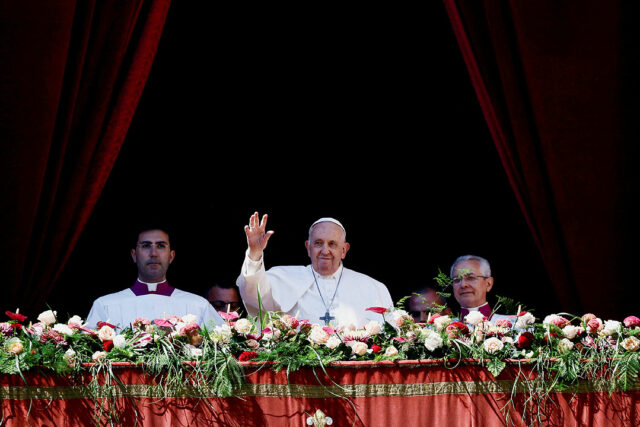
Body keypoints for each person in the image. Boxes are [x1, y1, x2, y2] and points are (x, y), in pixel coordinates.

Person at [237, 212, 393, 327]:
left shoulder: (371, 287)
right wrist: (255, 253)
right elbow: (253, 295)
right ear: (308, 248)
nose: (325, 251)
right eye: (318, 243)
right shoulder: (283, 277)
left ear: (344, 250)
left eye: (332, 244)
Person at [85, 224, 223, 329]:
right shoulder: (105, 306)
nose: (153, 253)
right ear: (134, 255)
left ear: (171, 256)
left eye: (161, 246)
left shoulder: (198, 306)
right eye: (146, 246)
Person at [449, 254, 511, 322]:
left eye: (470, 278)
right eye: (457, 279)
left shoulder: (511, 323)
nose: (463, 285)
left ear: (488, 284)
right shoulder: (444, 326)